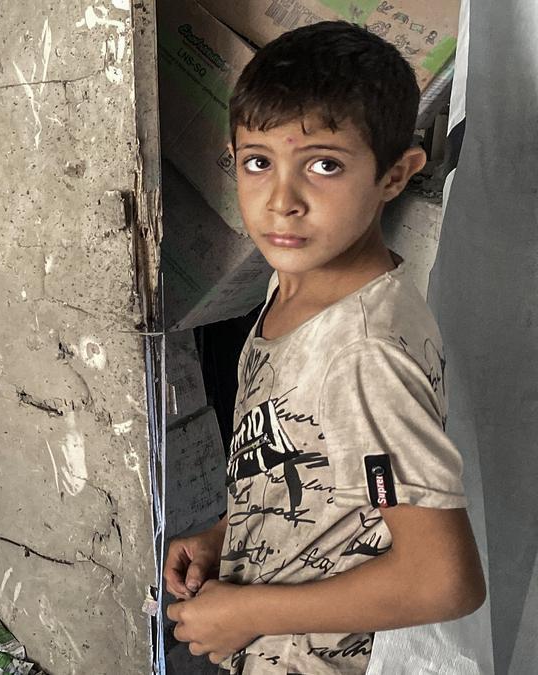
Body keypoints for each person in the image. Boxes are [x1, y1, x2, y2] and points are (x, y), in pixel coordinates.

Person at [163, 21, 486, 674]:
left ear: (395, 175)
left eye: (324, 165)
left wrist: (247, 613)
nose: (283, 202)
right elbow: (323, 478)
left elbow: (442, 579)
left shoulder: (364, 354)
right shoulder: (297, 287)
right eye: (259, 162)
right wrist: (226, 537)